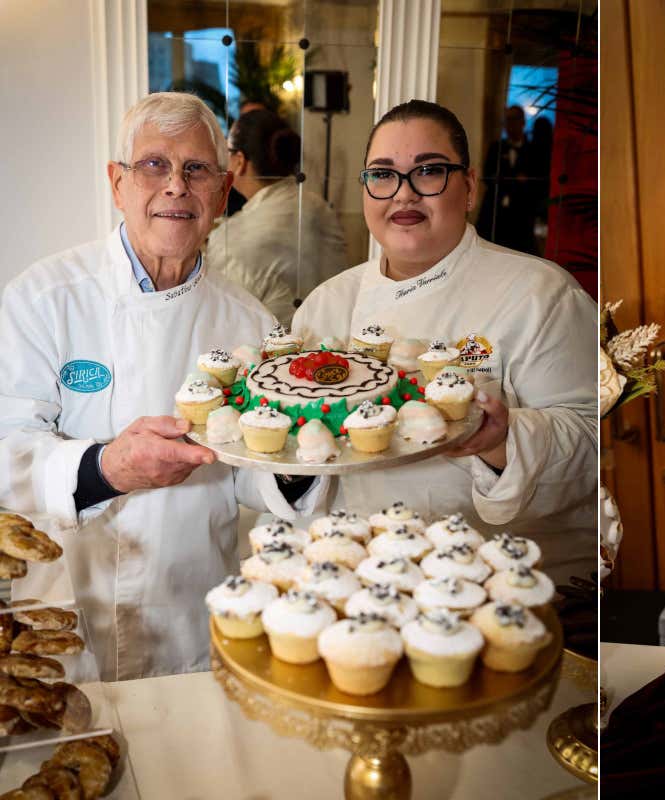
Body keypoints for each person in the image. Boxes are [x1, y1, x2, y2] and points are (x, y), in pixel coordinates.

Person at [0, 92, 328, 680]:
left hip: (188, 619)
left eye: (196, 169)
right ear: (117, 182)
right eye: (154, 164)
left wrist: (308, 449)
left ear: (223, 192)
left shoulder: (251, 325)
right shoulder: (42, 298)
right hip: (59, 616)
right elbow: (5, 446)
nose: (176, 186)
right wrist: (105, 468)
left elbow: (255, 469)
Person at [292, 100, 596, 582]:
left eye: (429, 171)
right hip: (355, 575)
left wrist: (503, 443)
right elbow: (286, 449)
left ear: (470, 186)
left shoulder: (540, 294)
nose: (404, 195)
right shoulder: (326, 305)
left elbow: (590, 440)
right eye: (383, 174)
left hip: (491, 580)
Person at [205, 109, 349, 326]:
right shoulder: (319, 207)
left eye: (227, 151)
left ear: (240, 161)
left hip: (273, 353)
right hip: (334, 341)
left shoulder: (228, 237)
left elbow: (222, 315)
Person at [476, 105, 539, 254]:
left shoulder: (533, 150)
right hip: (494, 211)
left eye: (513, 120)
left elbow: (535, 182)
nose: (509, 125)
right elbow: (487, 175)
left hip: (520, 214)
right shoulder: (496, 147)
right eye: (507, 120)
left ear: (522, 122)